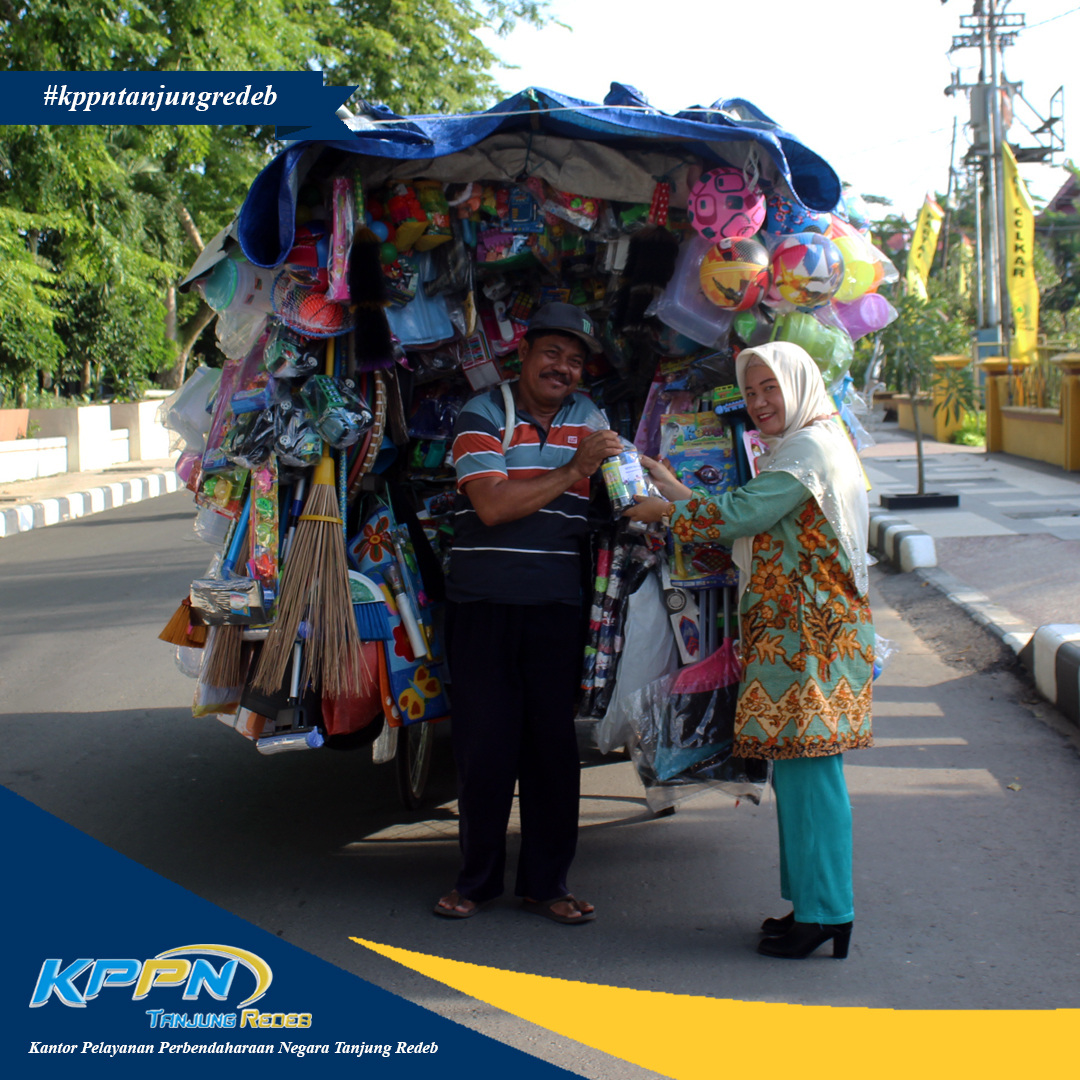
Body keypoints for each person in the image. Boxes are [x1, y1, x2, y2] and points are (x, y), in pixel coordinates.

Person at [626, 341, 874, 959]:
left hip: (810, 640)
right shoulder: (805, 444)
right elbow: (753, 517)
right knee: (798, 770)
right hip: (794, 635)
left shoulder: (809, 448)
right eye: (752, 390)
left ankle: (827, 913)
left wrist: (664, 509)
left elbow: (740, 515)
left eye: (771, 388)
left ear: (799, 385)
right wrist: (677, 490)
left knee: (811, 774)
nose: (760, 402)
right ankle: (812, 905)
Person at [434, 302, 624, 924]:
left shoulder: (589, 418)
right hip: (483, 605)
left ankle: (547, 883)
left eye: (575, 360)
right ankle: (477, 881)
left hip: (555, 607)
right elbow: (490, 505)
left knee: (552, 752)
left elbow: (624, 490)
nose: (562, 367)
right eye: (552, 353)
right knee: (484, 748)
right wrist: (573, 470)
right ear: (523, 354)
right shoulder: (484, 412)